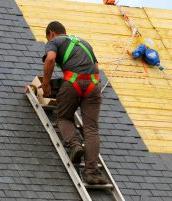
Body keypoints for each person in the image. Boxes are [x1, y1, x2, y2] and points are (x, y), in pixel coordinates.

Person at [41, 21, 108, 185]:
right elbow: (96, 67)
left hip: (73, 82)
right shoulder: (85, 43)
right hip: (93, 85)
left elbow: (50, 58)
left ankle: (74, 144)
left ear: (51, 34)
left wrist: (47, 83)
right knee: (91, 128)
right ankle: (91, 172)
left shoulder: (54, 42)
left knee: (63, 117)